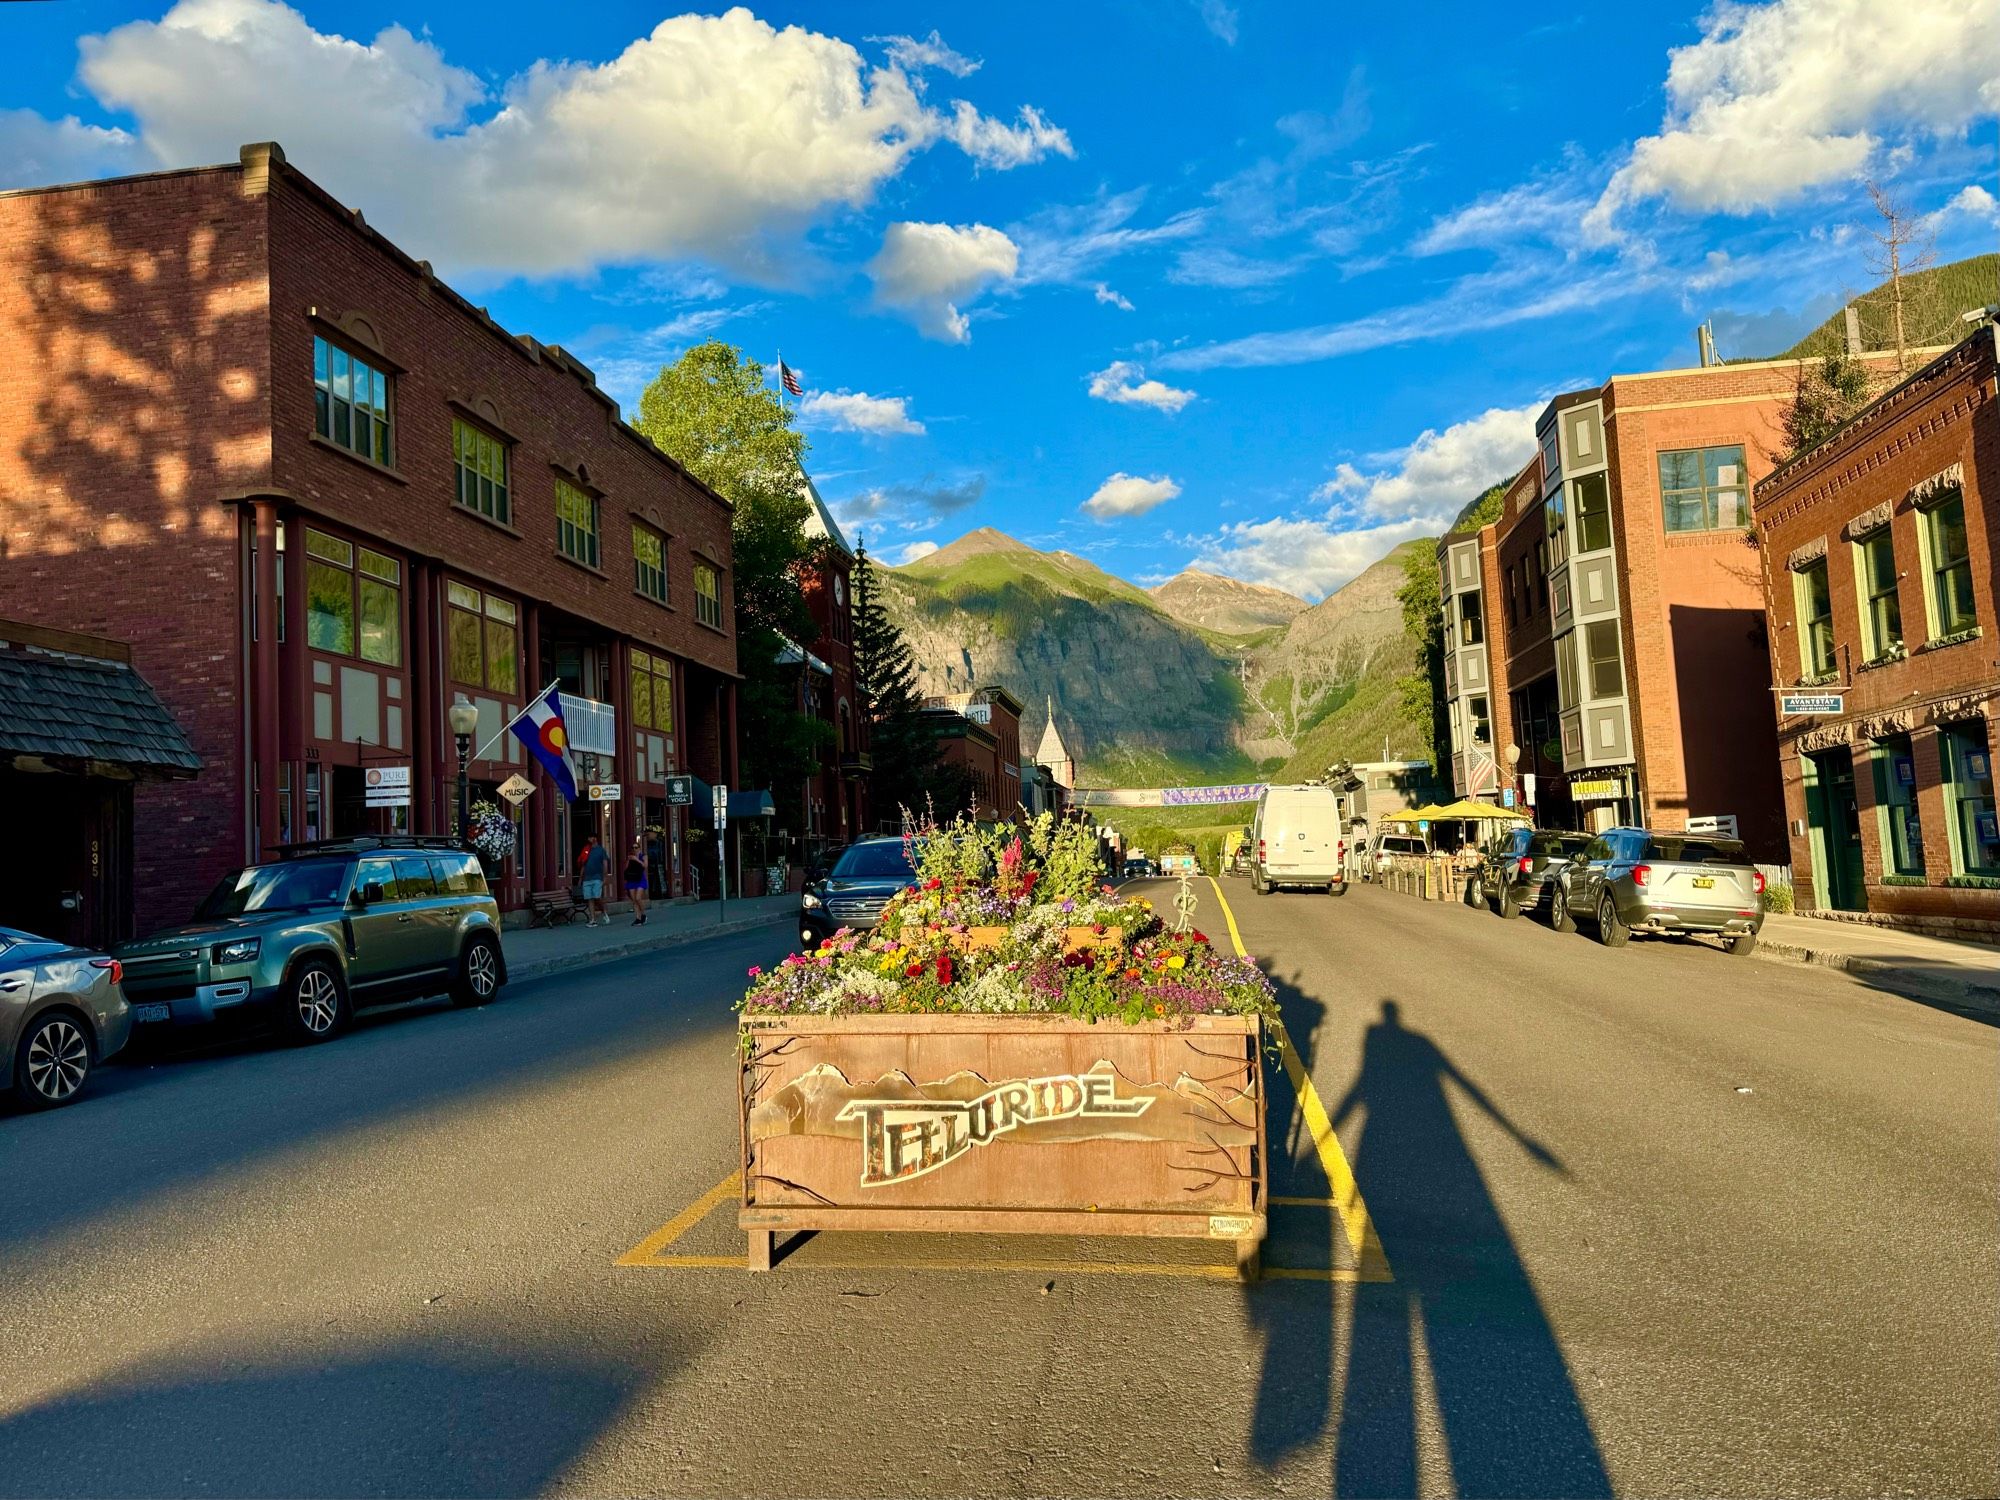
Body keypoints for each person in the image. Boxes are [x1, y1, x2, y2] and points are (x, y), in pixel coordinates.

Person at [577, 834, 611, 928]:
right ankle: (593, 920)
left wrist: (605, 876)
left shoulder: (601, 850)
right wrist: (580, 878)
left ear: (595, 838)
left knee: (597, 897)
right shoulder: (586, 850)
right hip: (587, 878)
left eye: (591, 837)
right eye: (589, 837)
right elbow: (583, 863)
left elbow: (605, 863)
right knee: (589, 898)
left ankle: (604, 912)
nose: (589, 839)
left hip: (597, 877)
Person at [624, 836, 649, 926]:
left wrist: (637, 859)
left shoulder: (643, 856)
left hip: (640, 878)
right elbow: (625, 868)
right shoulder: (630, 856)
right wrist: (629, 860)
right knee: (634, 900)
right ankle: (638, 918)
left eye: (636, 847)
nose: (634, 849)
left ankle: (643, 914)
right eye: (633, 848)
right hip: (631, 879)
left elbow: (645, 866)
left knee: (638, 898)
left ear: (639, 848)